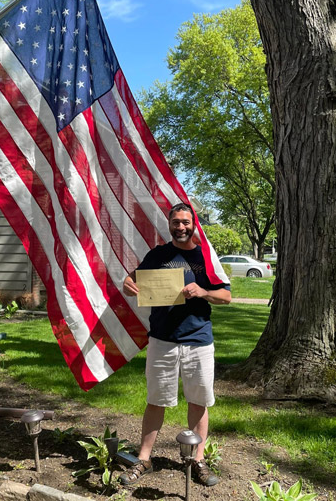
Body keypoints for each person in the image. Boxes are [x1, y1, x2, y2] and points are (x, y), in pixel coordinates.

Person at [119, 203, 231, 487]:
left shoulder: (205, 256)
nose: (181, 227)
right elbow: (132, 280)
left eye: (185, 222)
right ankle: (144, 458)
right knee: (156, 401)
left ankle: (197, 459)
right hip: (162, 341)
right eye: (175, 222)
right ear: (168, 224)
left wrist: (204, 291)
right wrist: (126, 283)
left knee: (199, 401)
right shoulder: (158, 254)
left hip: (199, 341)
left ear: (193, 224)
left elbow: (226, 297)